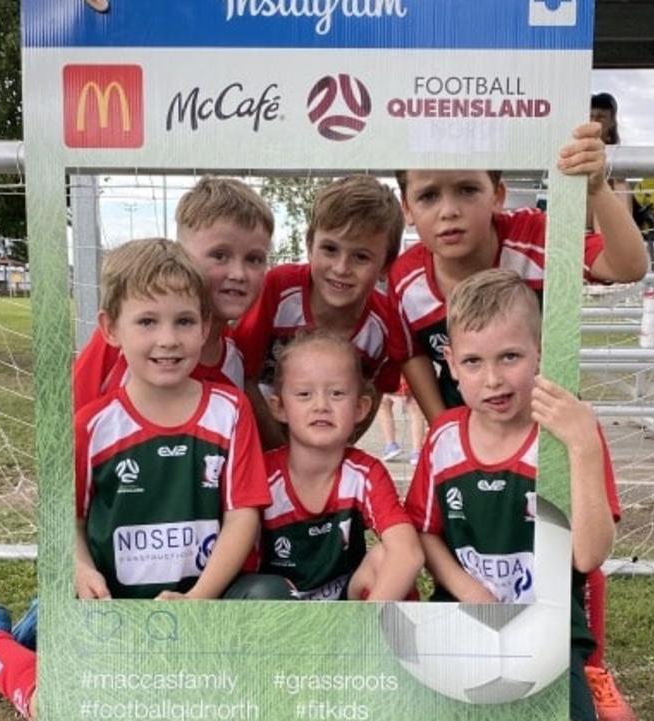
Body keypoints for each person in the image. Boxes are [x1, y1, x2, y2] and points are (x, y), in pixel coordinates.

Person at [0, 239, 292, 720]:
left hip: (201, 602)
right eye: (147, 321)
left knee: (271, 599)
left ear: (205, 328)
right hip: (115, 610)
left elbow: (242, 516)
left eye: (183, 321)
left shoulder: (231, 411)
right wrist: (80, 569)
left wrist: (197, 600)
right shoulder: (92, 426)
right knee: (64, 705)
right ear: (110, 329)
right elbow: (68, 520)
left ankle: (56, 628)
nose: (167, 339)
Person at [404, 270, 620, 721]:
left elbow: (589, 555)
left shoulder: (567, 433)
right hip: (461, 622)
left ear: (540, 353)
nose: (493, 379)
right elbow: (423, 535)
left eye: (510, 357)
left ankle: (592, 684)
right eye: (473, 362)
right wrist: (466, 589)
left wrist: (582, 446)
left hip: (549, 635)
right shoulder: (444, 436)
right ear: (450, 361)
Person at [390, 120, 649, 418]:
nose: (449, 211)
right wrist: (443, 431)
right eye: (428, 196)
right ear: (407, 209)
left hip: (547, 425)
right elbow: (412, 356)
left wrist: (598, 188)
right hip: (466, 430)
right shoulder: (404, 279)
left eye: (467, 189)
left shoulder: (534, 235)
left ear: (497, 196)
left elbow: (629, 266)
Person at [233, 174, 409, 449]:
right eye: (330, 249)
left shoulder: (386, 321)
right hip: (255, 440)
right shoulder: (279, 288)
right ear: (310, 246)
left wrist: (336, 452)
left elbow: (373, 394)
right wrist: (283, 454)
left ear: (386, 265)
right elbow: (243, 376)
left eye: (361, 256)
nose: (341, 267)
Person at [72, 176, 273, 407]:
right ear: (182, 256)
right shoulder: (125, 339)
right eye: (219, 255)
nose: (238, 273)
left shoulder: (234, 357)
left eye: (254, 259)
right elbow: (71, 422)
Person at [258, 330, 424, 600]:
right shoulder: (262, 475)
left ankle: (383, 640)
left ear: (360, 408)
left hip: (348, 612)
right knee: (259, 589)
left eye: (336, 393)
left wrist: (363, 627)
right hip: (280, 616)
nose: (321, 405)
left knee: (386, 559)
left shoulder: (364, 473)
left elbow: (409, 553)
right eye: (304, 394)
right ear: (279, 407)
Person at [590, 93, 634, 222]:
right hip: (580, 221)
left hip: (606, 221)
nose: (594, 121)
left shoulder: (617, 156)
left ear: (611, 122)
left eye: (601, 117)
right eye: (590, 116)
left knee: (620, 183)